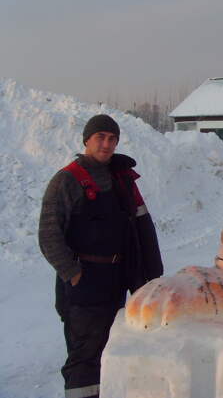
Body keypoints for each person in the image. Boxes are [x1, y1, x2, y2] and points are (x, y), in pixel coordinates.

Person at [39, 114, 163, 398]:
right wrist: (73, 273)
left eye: (112, 139)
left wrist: (149, 274)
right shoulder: (66, 181)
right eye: (100, 138)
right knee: (84, 355)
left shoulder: (122, 178)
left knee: (110, 347)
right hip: (84, 284)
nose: (106, 144)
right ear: (87, 140)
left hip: (116, 279)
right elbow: (48, 234)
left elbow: (142, 228)